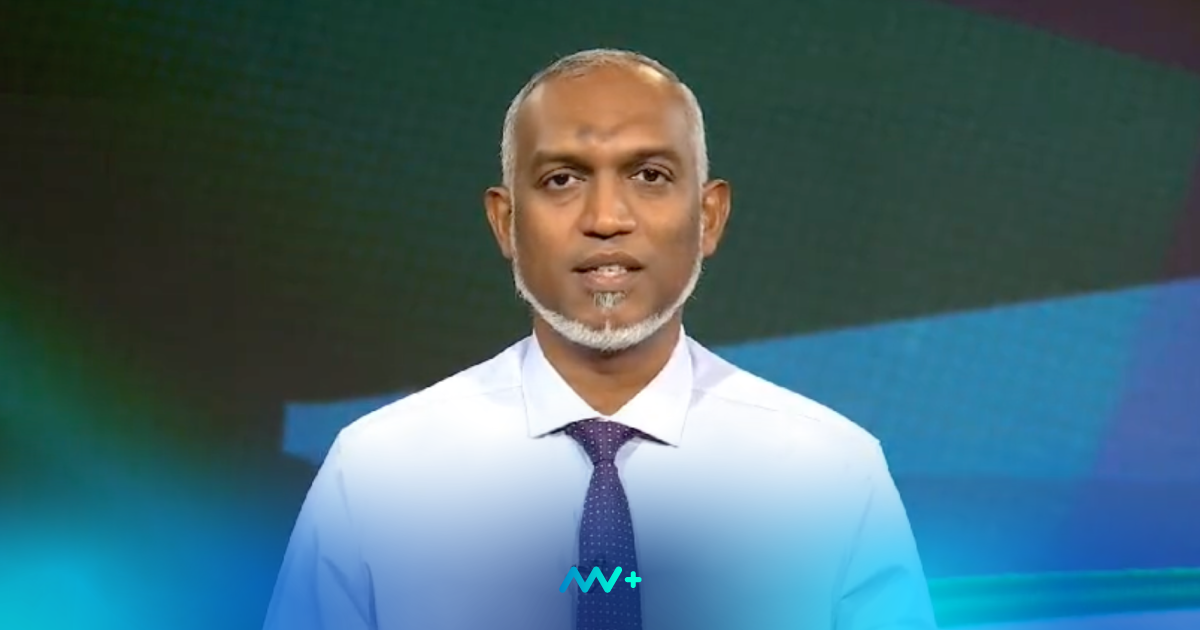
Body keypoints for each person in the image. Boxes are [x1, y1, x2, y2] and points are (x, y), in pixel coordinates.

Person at [263, 48, 938, 630]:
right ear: (505, 222)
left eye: (650, 176)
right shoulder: (377, 473)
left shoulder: (832, 473)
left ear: (709, 217)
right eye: (562, 179)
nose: (607, 218)